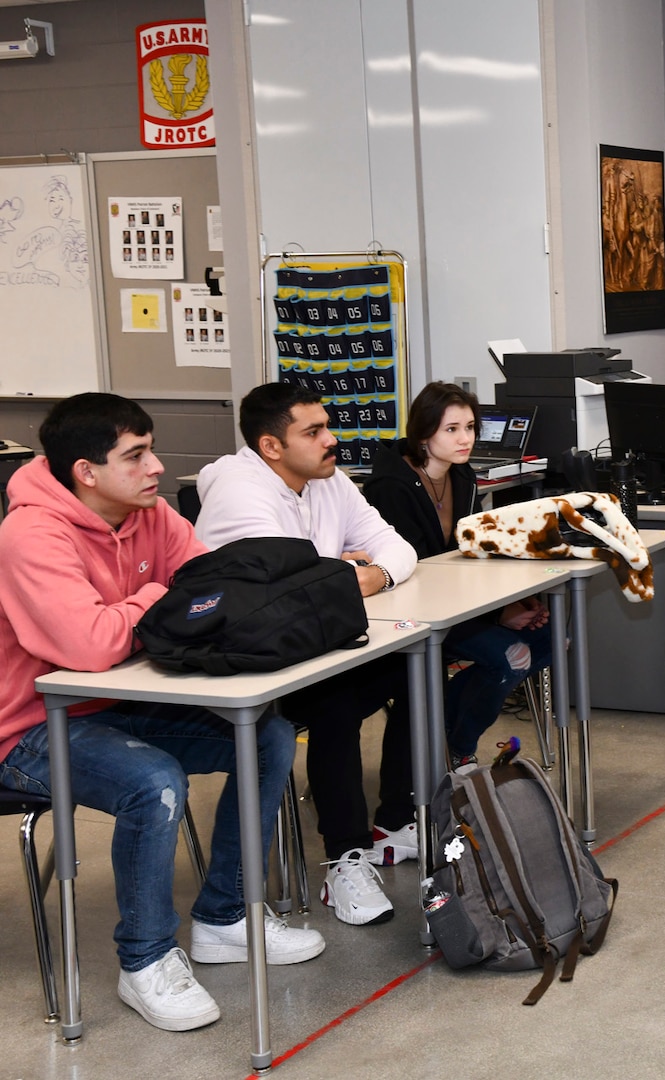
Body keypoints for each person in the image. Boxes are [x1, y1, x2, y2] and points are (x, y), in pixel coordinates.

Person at [0, 394, 324, 1032]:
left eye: (151, 448)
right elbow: (89, 646)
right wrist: (158, 598)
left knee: (265, 736)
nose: (156, 467)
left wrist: (152, 611)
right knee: (153, 783)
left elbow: (213, 586)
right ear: (85, 473)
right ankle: (144, 961)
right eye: (136, 455)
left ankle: (226, 917)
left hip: (124, 704)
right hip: (28, 727)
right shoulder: (30, 533)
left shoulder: (149, 512)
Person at [194, 383, 419, 926]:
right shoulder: (239, 491)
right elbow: (288, 590)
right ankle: (345, 858)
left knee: (422, 664)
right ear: (272, 446)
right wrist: (339, 569)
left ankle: (394, 819)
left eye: (327, 426)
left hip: (315, 642)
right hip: (247, 664)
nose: (331, 439)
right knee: (336, 702)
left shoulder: (328, 479)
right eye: (313, 431)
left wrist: (370, 572)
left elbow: (398, 546)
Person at [363, 382, 551, 771]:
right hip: (414, 616)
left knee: (553, 638)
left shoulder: (463, 477)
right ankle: (458, 747)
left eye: (469, 427)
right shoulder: (392, 485)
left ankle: (442, 730)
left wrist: (512, 601)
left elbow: (463, 556)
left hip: (457, 606)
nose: (465, 439)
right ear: (423, 433)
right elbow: (420, 576)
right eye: (452, 429)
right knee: (511, 657)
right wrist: (497, 617)